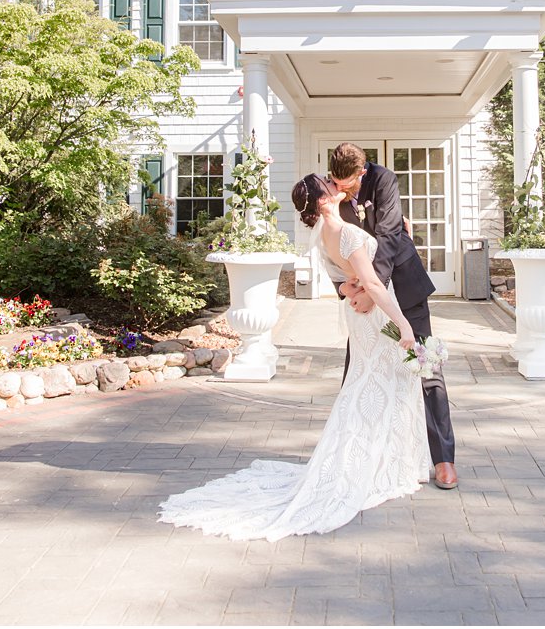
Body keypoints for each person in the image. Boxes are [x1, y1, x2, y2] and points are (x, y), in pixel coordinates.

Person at [157, 173, 427, 541]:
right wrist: (404, 326)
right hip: (378, 313)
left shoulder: (323, 236)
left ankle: (378, 459)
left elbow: (346, 278)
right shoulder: (345, 232)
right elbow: (375, 283)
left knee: (369, 383)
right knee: (386, 381)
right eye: (328, 186)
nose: (335, 186)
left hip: (360, 314)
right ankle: (380, 465)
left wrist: (351, 286)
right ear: (321, 201)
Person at [328, 142, 458, 490]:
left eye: (350, 184)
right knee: (357, 369)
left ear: (363, 170)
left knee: (426, 366)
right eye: (338, 184)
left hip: (401, 285)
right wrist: (353, 290)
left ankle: (443, 458)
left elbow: (388, 235)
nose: (345, 190)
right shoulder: (331, 193)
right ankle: (350, 455)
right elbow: (332, 244)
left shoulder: (384, 180)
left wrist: (374, 292)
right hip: (364, 294)